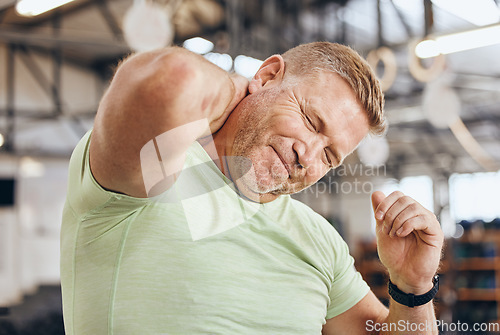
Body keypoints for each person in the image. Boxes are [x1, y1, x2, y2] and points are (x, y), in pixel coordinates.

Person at [60, 42, 444, 334]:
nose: (306, 157)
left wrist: (412, 286)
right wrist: (240, 92)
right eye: (310, 121)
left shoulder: (319, 239)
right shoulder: (154, 167)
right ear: (266, 75)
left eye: (329, 157)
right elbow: (172, 77)